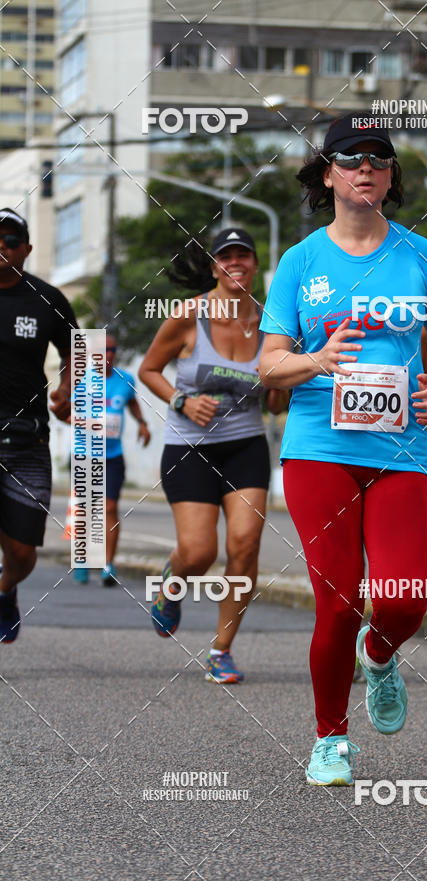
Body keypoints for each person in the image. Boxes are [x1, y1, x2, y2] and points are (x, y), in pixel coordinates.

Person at [259, 115, 427, 785]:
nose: (367, 168)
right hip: (319, 449)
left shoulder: (418, 254)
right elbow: (268, 367)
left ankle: (379, 655)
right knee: (338, 602)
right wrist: (315, 360)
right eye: (352, 158)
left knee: (403, 600)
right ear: (328, 174)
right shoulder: (301, 262)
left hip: (399, 448)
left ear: (390, 176)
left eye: (380, 158)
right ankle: (329, 740)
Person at [139, 228, 287, 683]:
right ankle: (173, 580)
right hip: (188, 450)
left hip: (246, 447)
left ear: (256, 265)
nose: (236, 262)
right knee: (199, 552)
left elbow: (277, 402)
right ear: (214, 267)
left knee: (244, 545)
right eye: (227, 256)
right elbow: (148, 370)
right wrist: (181, 401)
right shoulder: (189, 315)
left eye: (245, 254)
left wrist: (284, 383)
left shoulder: (273, 324)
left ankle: (221, 649)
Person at [0, 208, 77, 644]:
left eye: (10, 240)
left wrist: (68, 387)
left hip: (26, 439)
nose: (1, 247)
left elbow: (79, 352)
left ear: (26, 249)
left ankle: (6, 588)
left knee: (23, 552)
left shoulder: (47, 298)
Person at [72, 332, 151, 586]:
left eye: (112, 350)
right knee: (84, 511)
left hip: (113, 456)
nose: (108, 355)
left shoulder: (125, 379)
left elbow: (132, 403)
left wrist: (142, 424)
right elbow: (66, 412)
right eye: (102, 350)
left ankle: (108, 564)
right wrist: (87, 422)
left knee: (110, 508)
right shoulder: (82, 380)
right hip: (85, 454)